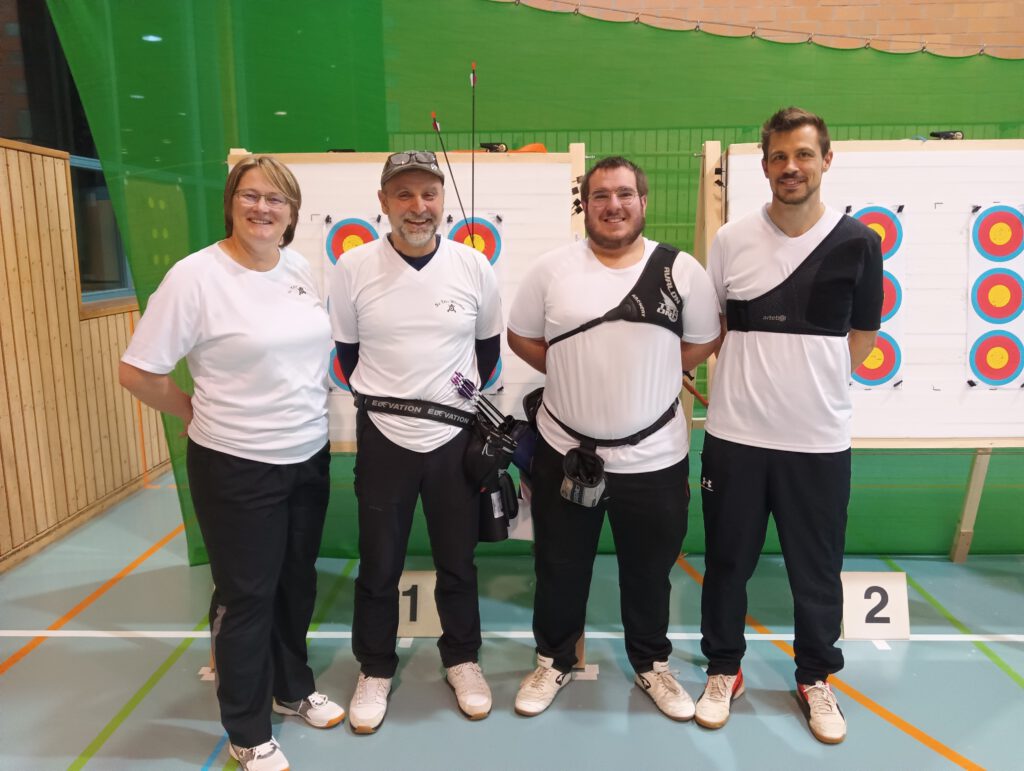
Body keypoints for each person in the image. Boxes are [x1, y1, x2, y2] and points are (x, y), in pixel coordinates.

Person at [119, 155, 343, 771]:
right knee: (247, 596)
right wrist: (191, 409)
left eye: (276, 199)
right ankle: (247, 729)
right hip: (236, 463)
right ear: (230, 203)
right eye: (250, 195)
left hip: (306, 453)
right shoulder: (195, 278)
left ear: (292, 213)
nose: (262, 208)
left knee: (296, 581)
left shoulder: (296, 268)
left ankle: (291, 688)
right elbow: (137, 372)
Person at [507, 156, 721, 720]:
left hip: (655, 457)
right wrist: (570, 369)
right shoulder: (551, 270)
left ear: (643, 202)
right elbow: (521, 336)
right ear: (586, 205)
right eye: (600, 195)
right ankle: (553, 660)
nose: (613, 205)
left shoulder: (682, 271)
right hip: (565, 452)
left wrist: (656, 369)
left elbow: (704, 339)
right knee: (559, 566)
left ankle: (652, 664)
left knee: (649, 572)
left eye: (625, 193)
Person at [696, 107, 883, 744]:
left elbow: (862, 338)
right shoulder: (731, 240)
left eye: (803, 154)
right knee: (727, 563)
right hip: (736, 438)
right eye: (778, 156)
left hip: (818, 442)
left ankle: (815, 678)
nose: (791, 167)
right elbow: (718, 326)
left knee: (817, 569)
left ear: (826, 160)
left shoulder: (859, 243)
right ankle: (723, 669)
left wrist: (811, 388)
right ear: (764, 165)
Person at [328, 151, 503, 733]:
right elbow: (348, 356)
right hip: (384, 439)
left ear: (442, 200)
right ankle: (375, 667)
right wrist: (399, 401)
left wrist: (443, 405)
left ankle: (462, 659)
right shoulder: (353, 268)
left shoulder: (473, 267)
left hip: (455, 439)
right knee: (379, 563)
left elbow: (487, 354)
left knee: (458, 560)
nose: (418, 206)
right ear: (382, 202)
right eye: (403, 194)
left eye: (428, 193)